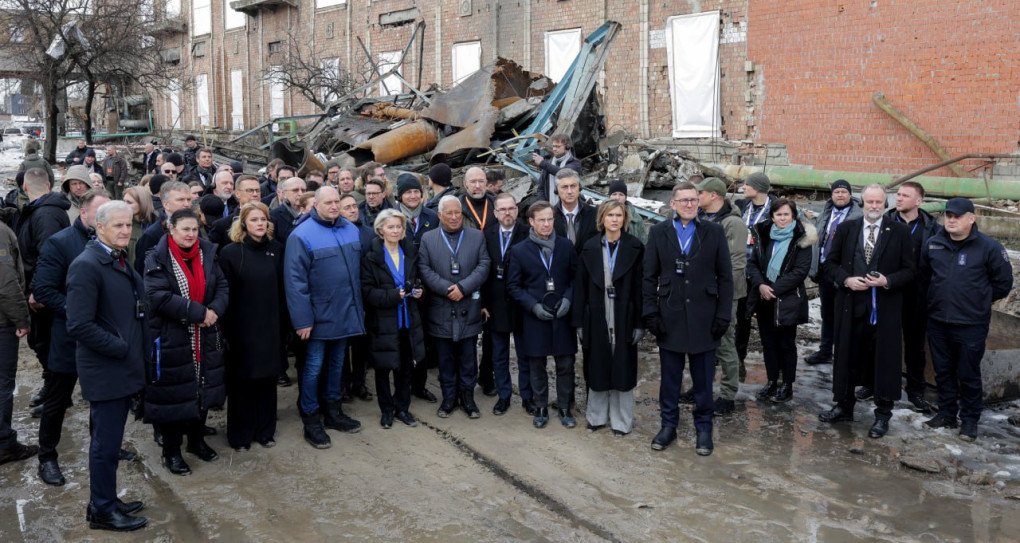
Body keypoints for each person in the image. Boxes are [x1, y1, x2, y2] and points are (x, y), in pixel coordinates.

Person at [65, 201, 148, 531]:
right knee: (105, 444)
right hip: (106, 369)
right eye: (118, 226)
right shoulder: (87, 265)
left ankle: (105, 500)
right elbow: (79, 324)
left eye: (128, 225)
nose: (126, 231)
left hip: (121, 365)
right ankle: (102, 509)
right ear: (99, 227)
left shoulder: (116, 258)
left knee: (110, 441)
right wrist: (121, 347)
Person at [643, 182, 733, 456]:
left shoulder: (713, 232)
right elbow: (648, 277)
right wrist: (651, 313)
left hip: (704, 318)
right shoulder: (659, 233)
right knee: (670, 379)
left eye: (694, 200)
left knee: (703, 379)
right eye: (683, 200)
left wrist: (723, 314)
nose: (689, 204)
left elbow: (726, 278)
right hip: (669, 317)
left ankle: (703, 428)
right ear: (673, 204)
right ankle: (668, 425)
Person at [818, 184, 914, 439]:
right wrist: (846, 280)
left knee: (883, 361)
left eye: (878, 203)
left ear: (885, 204)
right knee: (847, 355)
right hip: (851, 307)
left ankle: (883, 414)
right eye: (869, 202)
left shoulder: (900, 232)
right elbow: (830, 263)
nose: (874, 206)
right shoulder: (847, 229)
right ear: (863, 203)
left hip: (884, 310)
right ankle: (844, 405)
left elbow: (911, 270)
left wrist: (887, 281)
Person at [32, 189, 110, 486]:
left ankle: (103, 448)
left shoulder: (109, 243)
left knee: (101, 398)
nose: (106, 220)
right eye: (100, 214)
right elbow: (43, 290)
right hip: (69, 336)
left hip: (101, 337)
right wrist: (78, 311)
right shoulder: (61, 242)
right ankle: (47, 457)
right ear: (85, 213)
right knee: (57, 400)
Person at [921, 198, 1013, 441]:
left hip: (971, 324)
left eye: (957, 216)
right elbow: (925, 277)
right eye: (948, 215)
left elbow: (1003, 284)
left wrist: (979, 300)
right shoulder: (934, 244)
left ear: (971, 219)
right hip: (938, 320)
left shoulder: (989, 248)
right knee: (942, 371)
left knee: (968, 373)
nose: (951, 220)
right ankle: (946, 413)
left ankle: (970, 421)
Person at [143, 209, 228, 474]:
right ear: (171, 229)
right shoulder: (156, 257)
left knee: (203, 387)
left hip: (207, 333)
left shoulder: (208, 253)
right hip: (173, 337)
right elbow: (157, 296)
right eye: (185, 229)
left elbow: (223, 286)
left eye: (194, 229)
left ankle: (196, 441)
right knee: (173, 395)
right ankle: (171, 451)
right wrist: (198, 312)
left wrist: (213, 310)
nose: (191, 234)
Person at [285, 187, 365, 449]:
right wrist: (302, 320)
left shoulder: (351, 230)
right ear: (314, 205)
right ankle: (311, 417)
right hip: (318, 318)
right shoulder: (301, 236)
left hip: (345, 313)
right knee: (313, 367)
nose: (334, 206)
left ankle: (333, 412)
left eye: (336, 201)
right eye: (328, 202)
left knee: (337, 365)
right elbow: (295, 283)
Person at [573, 200, 644, 435]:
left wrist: (639, 323)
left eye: (619, 215)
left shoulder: (634, 247)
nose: (615, 219)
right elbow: (580, 288)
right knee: (597, 365)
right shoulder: (590, 247)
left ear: (625, 219)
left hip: (624, 313)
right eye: (610, 215)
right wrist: (580, 322)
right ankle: (596, 417)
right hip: (596, 313)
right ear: (601, 218)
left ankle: (621, 421)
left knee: (623, 368)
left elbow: (640, 288)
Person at [219, 203, 285, 450]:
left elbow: (282, 290)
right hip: (242, 329)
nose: (260, 223)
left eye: (263, 219)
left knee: (268, 382)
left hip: (270, 326)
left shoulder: (277, 250)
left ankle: (265, 431)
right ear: (243, 223)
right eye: (254, 219)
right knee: (242, 383)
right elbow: (226, 294)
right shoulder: (230, 253)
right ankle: (240, 435)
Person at [418, 196, 490, 418]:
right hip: (441, 309)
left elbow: (484, 264)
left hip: (468, 306)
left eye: (457, 212)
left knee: (469, 359)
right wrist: (448, 288)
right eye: (448, 213)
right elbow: (424, 268)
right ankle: (449, 397)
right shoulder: (428, 239)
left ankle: (467, 398)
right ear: (439, 215)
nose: (453, 217)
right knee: (445, 359)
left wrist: (463, 287)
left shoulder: (476, 236)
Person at [507, 201, 577, 428]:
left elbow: (576, 279)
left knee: (565, 364)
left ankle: (565, 408)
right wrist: (532, 306)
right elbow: (514, 286)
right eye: (542, 220)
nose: (547, 224)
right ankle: (540, 407)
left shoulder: (566, 246)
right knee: (537, 365)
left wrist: (568, 298)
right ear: (531, 222)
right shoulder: (519, 250)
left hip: (562, 316)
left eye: (550, 219)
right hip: (535, 317)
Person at [877, 181, 940, 412]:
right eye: (898, 194)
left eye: (905, 195)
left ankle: (915, 390)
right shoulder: (885, 222)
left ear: (919, 201)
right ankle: (875, 384)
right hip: (887, 291)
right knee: (881, 341)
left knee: (915, 346)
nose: (899, 198)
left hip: (918, 296)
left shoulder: (932, 228)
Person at [746, 199, 816, 403]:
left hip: (787, 300)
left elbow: (800, 271)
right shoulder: (764, 234)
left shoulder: (802, 238)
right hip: (763, 297)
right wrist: (760, 285)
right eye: (779, 215)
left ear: (793, 216)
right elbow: (752, 264)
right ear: (772, 216)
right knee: (768, 343)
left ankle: (787, 385)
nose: (782, 218)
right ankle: (771, 381)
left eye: (786, 214)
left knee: (786, 344)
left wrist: (773, 289)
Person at [362, 209, 426, 428]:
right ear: (381, 230)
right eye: (391, 227)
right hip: (383, 322)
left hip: (408, 319)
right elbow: (367, 291)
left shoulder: (409, 251)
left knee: (406, 368)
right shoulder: (371, 256)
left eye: (399, 227)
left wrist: (418, 291)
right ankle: (386, 410)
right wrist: (392, 296)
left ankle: (403, 408)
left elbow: (417, 279)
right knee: (383, 368)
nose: (396, 230)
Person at [689, 177, 746, 414]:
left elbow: (737, 263)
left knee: (724, 342)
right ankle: (700, 388)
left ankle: (727, 394)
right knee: (700, 343)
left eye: (699, 193)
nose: (695, 198)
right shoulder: (701, 219)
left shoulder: (733, 223)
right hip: (700, 292)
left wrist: (718, 290)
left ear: (713, 195)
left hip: (724, 295)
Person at [17, 168, 71, 413]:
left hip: (45, 291)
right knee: (41, 341)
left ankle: (56, 394)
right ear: (49, 184)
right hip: (44, 287)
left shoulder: (46, 214)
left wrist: (38, 290)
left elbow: (47, 256)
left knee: (46, 343)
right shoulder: (41, 211)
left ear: (26, 188)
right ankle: (53, 389)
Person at [481, 192, 531, 415]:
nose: (507, 213)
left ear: (517, 210)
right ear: (495, 213)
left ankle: (528, 397)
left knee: (524, 355)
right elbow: (482, 271)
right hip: (496, 305)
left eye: (510, 208)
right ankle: (503, 396)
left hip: (521, 304)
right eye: (502, 209)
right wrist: (482, 302)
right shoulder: (487, 234)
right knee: (499, 355)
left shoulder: (528, 233)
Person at [807, 179, 862, 366]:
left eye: (844, 192)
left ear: (850, 195)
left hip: (844, 273)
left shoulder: (857, 216)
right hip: (824, 271)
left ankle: (843, 353)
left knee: (844, 315)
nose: (840, 195)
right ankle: (825, 350)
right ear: (831, 195)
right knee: (827, 313)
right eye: (836, 191)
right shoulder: (825, 213)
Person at [734, 171, 775, 381]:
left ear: (757, 187)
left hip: (765, 274)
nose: (743, 186)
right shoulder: (741, 207)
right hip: (742, 271)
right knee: (741, 320)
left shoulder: (775, 209)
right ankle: (739, 361)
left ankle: (774, 375)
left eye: (747, 184)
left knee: (768, 324)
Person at [0, 219, 34, 467]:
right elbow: (7, 284)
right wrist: (21, 318)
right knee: (2, 384)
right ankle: (4, 444)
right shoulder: (1, 233)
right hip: (2, 323)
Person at [134, 181, 193, 273]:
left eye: (189, 200)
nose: (187, 204)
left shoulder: (194, 228)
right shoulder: (152, 234)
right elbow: (142, 270)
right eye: (180, 200)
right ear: (166, 204)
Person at [208, 175, 262, 249]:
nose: (255, 194)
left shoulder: (271, 219)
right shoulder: (222, 225)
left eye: (257, 190)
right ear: (237, 194)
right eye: (250, 190)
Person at [552, 169, 597, 253]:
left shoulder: (595, 214)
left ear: (579, 187)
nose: (569, 191)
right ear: (556, 190)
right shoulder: (550, 216)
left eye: (573, 186)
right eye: (564, 187)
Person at [532, 134, 581, 206]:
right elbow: (540, 188)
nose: (554, 149)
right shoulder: (549, 164)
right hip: (551, 208)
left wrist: (542, 163)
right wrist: (544, 205)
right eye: (553, 146)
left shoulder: (575, 163)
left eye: (558, 146)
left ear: (567, 147)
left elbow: (563, 173)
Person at [395, 173, 438, 247]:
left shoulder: (432, 216)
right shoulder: (391, 217)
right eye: (408, 192)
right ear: (400, 196)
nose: (413, 196)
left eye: (416, 191)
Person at [123, 186, 158, 267]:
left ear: (142, 203)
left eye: (129, 202)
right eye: (123, 201)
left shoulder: (157, 224)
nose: (124, 205)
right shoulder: (124, 224)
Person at [270, 176, 307, 244]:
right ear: (284, 194)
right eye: (295, 190)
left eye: (303, 190)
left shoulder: (311, 213)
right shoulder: (274, 215)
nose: (300, 194)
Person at [460, 167, 496, 231]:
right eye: (473, 182)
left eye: (481, 181)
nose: (477, 186)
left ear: (486, 183)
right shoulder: (457, 206)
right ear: (465, 184)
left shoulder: (496, 203)